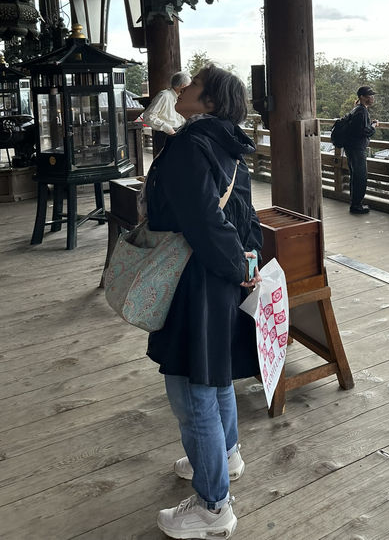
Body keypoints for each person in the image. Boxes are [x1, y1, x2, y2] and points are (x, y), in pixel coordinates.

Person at [145, 64, 263, 539]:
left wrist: (236, 268)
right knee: (214, 376)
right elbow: (245, 216)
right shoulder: (228, 144)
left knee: (191, 388)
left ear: (210, 101)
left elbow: (203, 222)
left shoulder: (189, 146)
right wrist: (246, 268)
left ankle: (214, 507)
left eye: (193, 84)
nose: (183, 88)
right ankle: (226, 455)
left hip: (194, 279)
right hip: (221, 277)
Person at [344, 85, 378, 214]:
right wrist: (373, 126)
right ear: (362, 97)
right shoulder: (361, 111)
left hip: (351, 147)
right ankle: (356, 206)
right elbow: (364, 131)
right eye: (370, 95)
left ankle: (355, 204)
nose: (372, 98)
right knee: (360, 177)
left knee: (355, 176)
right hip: (357, 148)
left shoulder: (356, 109)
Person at [142, 71, 191, 154]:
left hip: (179, 133)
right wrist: (168, 128)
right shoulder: (164, 95)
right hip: (165, 135)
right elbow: (148, 116)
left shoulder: (181, 97)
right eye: (189, 86)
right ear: (183, 86)